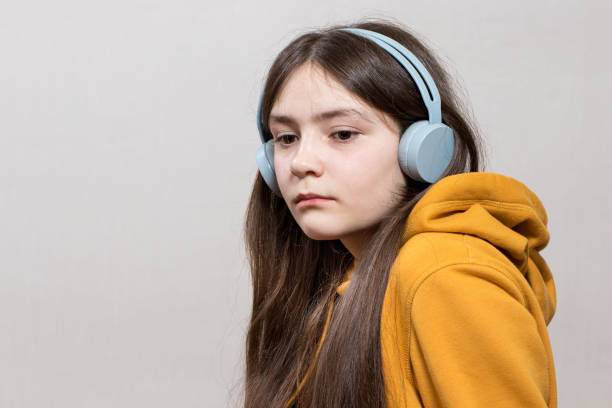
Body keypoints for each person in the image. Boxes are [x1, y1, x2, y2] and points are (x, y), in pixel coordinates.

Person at [242, 18, 557, 408]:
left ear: (422, 149)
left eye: (342, 134)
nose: (301, 162)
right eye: (287, 138)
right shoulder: (350, 278)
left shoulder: (443, 275)